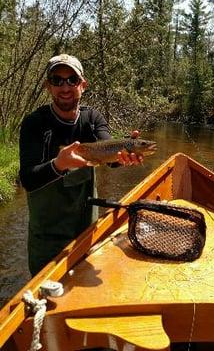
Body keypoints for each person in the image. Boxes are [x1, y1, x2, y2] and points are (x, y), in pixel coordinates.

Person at [19, 54, 141, 276]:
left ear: (82, 85)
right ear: (48, 86)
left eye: (72, 80)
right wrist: (58, 165)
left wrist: (124, 153)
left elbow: (107, 151)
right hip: (47, 237)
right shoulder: (34, 124)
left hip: (86, 230)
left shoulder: (92, 118)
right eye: (57, 80)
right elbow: (27, 179)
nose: (65, 87)